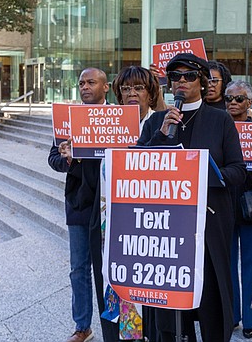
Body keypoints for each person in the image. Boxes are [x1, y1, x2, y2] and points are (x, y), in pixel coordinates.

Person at [138, 52, 247, 342]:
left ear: (201, 81)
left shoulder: (220, 120)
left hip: (208, 224)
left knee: (211, 296)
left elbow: (238, 170)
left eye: (188, 76)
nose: (181, 82)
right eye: (175, 77)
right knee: (171, 308)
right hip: (167, 229)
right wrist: (160, 136)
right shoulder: (156, 122)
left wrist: (209, 175)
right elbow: (137, 168)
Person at [99, 65, 166, 340]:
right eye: (126, 89)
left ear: (150, 94)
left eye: (139, 88)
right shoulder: (107, 124)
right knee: (120, 280)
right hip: (113, 217)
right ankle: (130, 333)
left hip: (150, 219)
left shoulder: (161, 123)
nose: (132, 94)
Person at [48, 67, 109, 342]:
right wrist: (68, 158)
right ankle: (82, 326)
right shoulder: (66, 120)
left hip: (113, 203)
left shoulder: (119, 119)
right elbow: (53, 160)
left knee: (112, 266)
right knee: (79, 268)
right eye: (82, 83)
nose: (85, 87)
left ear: (105, 87)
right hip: (79, 203)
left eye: (91, 82)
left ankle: (120, 324)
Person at [225, 80, 252, 339]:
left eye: (239, 98)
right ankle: (230, 315)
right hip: (224, 204)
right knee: (226, 262)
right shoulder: (218, 128)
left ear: (249, 103)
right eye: (229, 98)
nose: (232, 102)